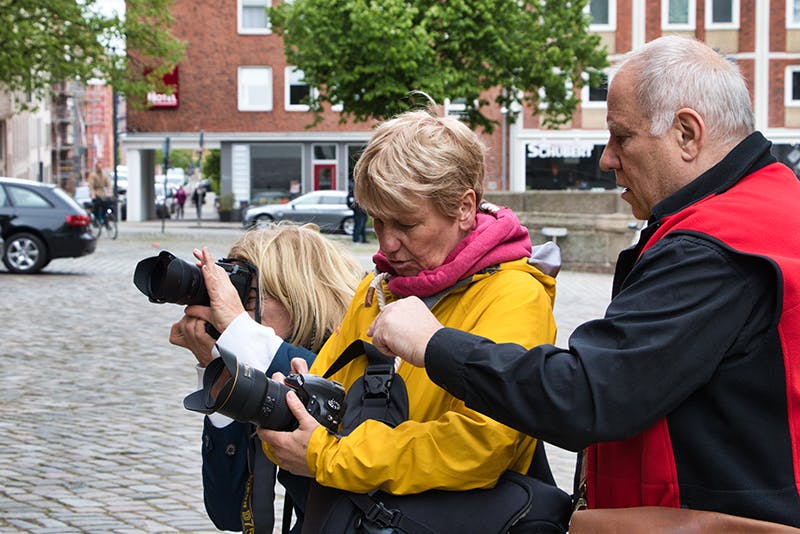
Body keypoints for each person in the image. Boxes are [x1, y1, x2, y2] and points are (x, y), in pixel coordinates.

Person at [367, 35, 800, 528]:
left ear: (687, 133)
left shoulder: (717, 245)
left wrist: (432, 343)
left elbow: (588, 395)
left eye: (622, 137)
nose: (606, 158)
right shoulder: (773, 206)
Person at [194, 109, 569, 532]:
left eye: (406, 223)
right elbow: (341, 401)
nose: (388, 243)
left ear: (464, 207)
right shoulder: (380, 287)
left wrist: (325, 455)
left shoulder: (515, 295)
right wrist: (308, 389)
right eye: (377, 220)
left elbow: (480, 446)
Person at [169, 223, 364, 533]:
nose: (232, 311)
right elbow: (229, 513)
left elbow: (329, 391)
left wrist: (240, 333)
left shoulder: (355, 358)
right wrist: (219, 375)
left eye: (248, 297)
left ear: (299, 296)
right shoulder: (262, 366)